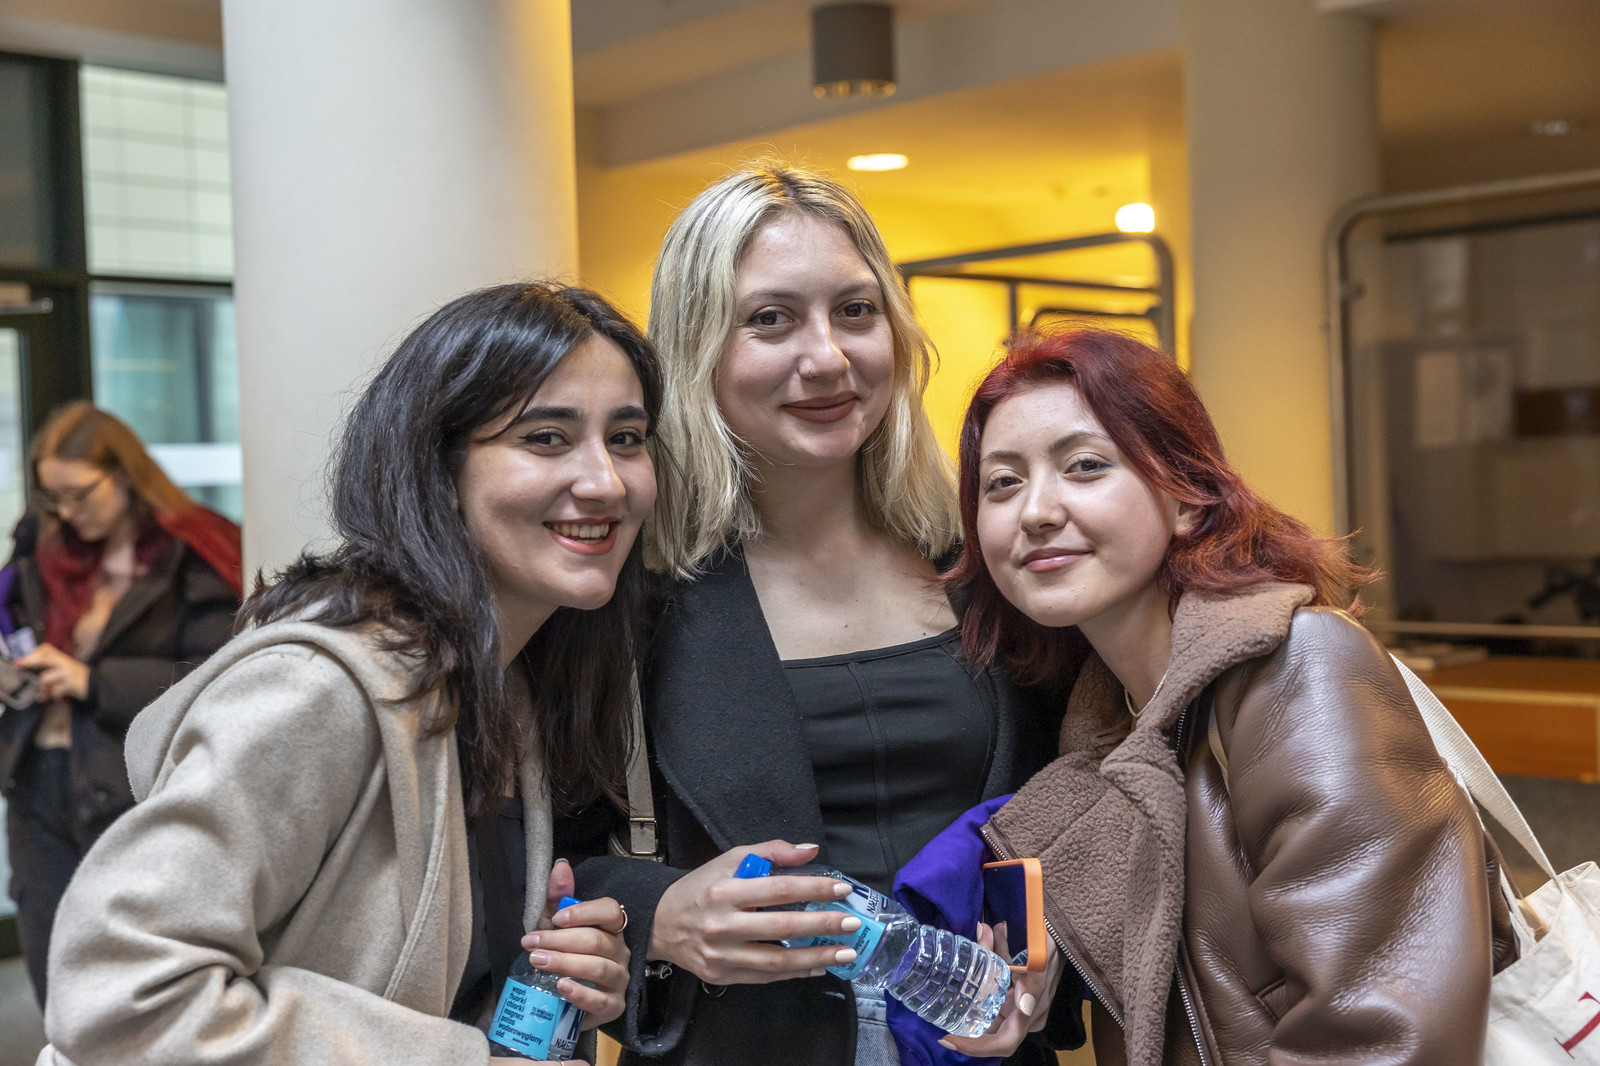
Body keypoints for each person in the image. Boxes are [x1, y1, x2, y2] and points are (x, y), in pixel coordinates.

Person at [35, 283, 656, 1066]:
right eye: (546, 438)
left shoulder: (506, 687)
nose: (605, 481)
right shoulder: (322, 689)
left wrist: (554, 991)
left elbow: (425, 995)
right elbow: (118, 994)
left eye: (626, 438)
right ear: (438, 467)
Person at [574, 164, 1075, 1066]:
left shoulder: (984, 562)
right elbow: (536, 850)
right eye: (771, 319)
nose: (829, 358)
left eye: (855, 310)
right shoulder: (626, 596)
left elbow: (1078, 809)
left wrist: (1046, 962)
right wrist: (661, 915)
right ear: (696, 348)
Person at [944, 328, 1518, 1065]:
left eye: (1085, 466)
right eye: (1002, 483)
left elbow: (1383, 1034)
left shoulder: (1297, 669)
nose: (1036, 511)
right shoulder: (1107, 725)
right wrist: (1049, 977)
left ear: (1186, 498)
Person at [0, 401, 243, 1006]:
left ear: (125, 473)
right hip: (36, 781)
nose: (66, 512)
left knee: (130, 981)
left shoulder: (192, 553)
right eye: (54, 497)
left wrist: (92, 681)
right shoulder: (44, 550)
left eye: (79, 494)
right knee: (54, 976)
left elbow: (216, 677)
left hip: (131, 788)